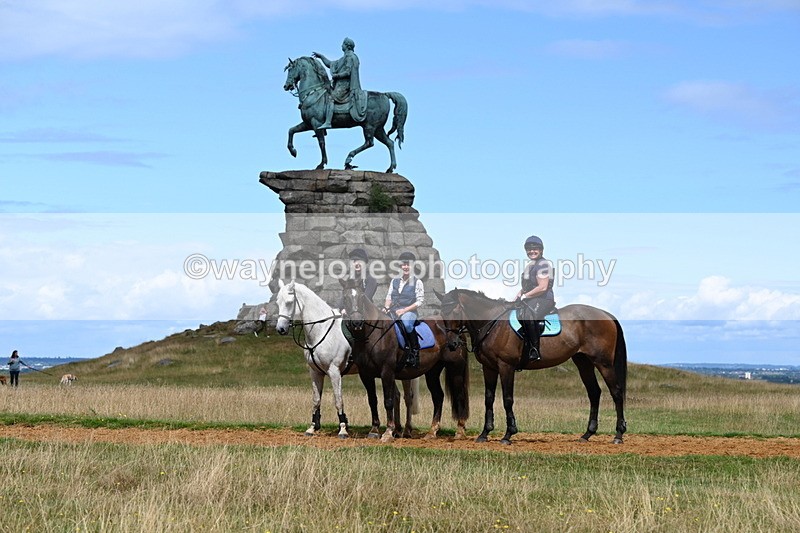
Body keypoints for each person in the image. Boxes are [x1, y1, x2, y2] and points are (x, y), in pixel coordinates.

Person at [514, 235, 555, 370]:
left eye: (535, 249)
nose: (532, 251)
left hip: (544, 299)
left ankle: (534, 350)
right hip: (532, 298)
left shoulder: (543, 265)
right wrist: (520, 293)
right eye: (529, 249)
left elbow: (542, 287)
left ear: (541, 250)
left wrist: (526, 295)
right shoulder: (531, 265)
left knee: (528, 315)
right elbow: (529, 286)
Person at [312, 37, 368, 128]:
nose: (341, 45)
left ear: (347, 46)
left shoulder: (351, 57)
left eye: (343, 44)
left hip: (345, 86)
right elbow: (330, 64)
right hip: (340, 85)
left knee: (330, 98)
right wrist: (321, 57)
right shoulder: (344, 58)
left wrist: (336, 76)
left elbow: (348, 72)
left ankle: (328, 122)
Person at [384, 251, 424, 368]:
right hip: (393, 311)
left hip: (409, 312)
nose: (406, 267)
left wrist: (404, 310)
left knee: (406, 324)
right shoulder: (394, 281)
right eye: (404, 264)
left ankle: (415, 352)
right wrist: (386, 307)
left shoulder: (418, 282)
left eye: (408, 264)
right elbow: (389, 297)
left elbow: (419, 301)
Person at [338, 248, 378, 314]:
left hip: (366, 311)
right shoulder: (351, 278)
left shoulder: (370, 278)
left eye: (359, 261)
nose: (357, 264)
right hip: (351, 311)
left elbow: (366, 298)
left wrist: (348, 310)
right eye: (354, 261)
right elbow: (345, 296)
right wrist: (341, 308)